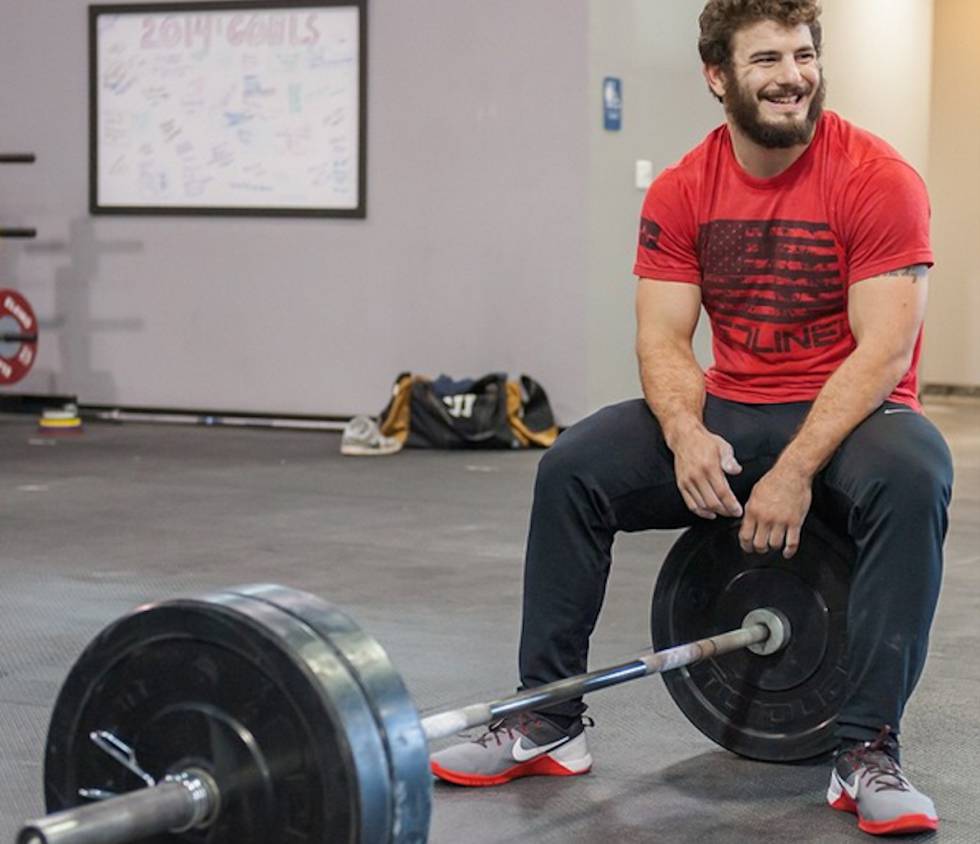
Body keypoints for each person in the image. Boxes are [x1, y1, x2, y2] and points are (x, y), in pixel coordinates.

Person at [430, 0, 952, 836]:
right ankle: (548, 718)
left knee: (916, 473)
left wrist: (793, 471)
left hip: (856, 418)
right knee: (574, 468)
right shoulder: (684, 188)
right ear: (718, 77)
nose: (794, 77)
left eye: (804, 54)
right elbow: (663, 339)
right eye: (767, 60)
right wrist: (684, 433)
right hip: (735, 405)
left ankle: (866, 751)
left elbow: (884, 352)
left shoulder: (877, 178)